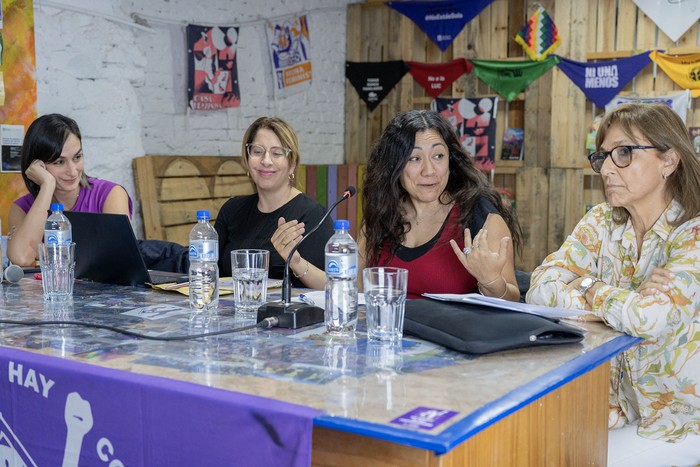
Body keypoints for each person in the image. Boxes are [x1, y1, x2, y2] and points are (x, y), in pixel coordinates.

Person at [526, 103, 700, 465]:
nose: (606, 168)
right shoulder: (602, 221)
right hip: (614, 409)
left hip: (679, 422)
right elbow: (540, 287)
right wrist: (613, 297)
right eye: (603, 156)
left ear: (669, 160)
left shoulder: (693, 233)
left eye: (623, 153)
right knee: (528, 442)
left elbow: (648, 318)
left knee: (576, 460)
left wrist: (586, 287)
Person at [283, 109, 522, 300]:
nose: (429, 171)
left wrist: (492, 282)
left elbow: (511, 299)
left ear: (451, 160)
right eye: (414, 158)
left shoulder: (480, 216)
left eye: (438, 156)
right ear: (395, 167)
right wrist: (297, 263)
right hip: (386, 341)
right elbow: (350, 288)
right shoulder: (383, 216)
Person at [214, 117, 333, 286]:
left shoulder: (313, 215)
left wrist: (296, 263)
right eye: (257, 151)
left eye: (277, 153)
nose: (266, 161)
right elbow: (211, 270)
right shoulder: (231, 210)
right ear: (247, 160)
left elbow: (331, 286)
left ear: (292, 164)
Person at [7, 113, 132, 267]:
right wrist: (47, 185)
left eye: (77, 157)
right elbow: (21, 258)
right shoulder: (22, 208)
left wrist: (42, 256)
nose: (72, 171)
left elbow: (120, 259)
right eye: (59, 162)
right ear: (37, 165)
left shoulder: (111, 195)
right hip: (52, 291)